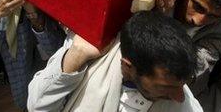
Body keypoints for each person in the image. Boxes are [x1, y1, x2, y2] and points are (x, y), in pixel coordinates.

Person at [27, 11, 202, 111]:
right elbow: (37, 107)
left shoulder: (178, 93)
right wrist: (75, 56)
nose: (179, 97)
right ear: (128, 67)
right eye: (165, 87)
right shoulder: (86, 54)